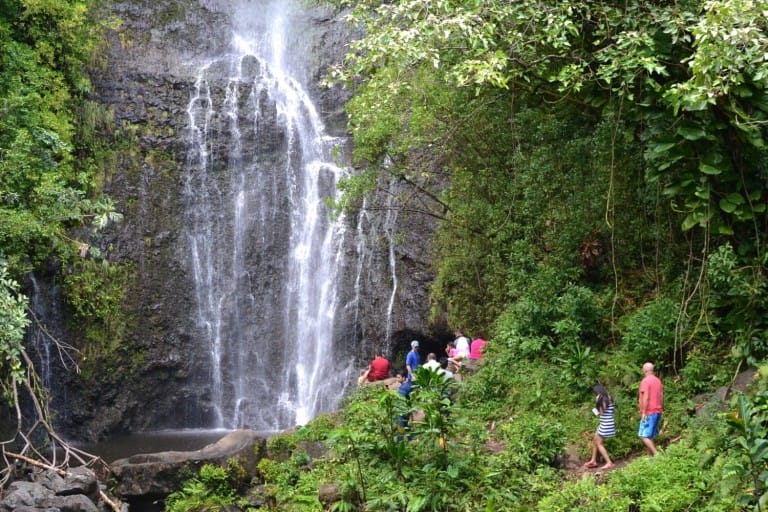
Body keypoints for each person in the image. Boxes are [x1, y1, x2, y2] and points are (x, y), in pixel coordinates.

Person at [583, 383, 615, 469]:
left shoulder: (602, 399)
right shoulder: (609, 397)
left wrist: (595, 407)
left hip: (605, 424)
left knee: (599, 443)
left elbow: (601, 413)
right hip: (607, 423)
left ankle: (609, 462)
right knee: (595, 440)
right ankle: (593, 461)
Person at [638, 362, 664, 456]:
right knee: (650, 435)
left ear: (644, 370)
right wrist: (661, 408)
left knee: (643, 435)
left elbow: (646, 397)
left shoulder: (645, 381)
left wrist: (644, 412)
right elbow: (661, 396)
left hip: (649, 412)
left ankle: (657, 455)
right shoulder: (658, 380)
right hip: (657, 411)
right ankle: (650, 458)